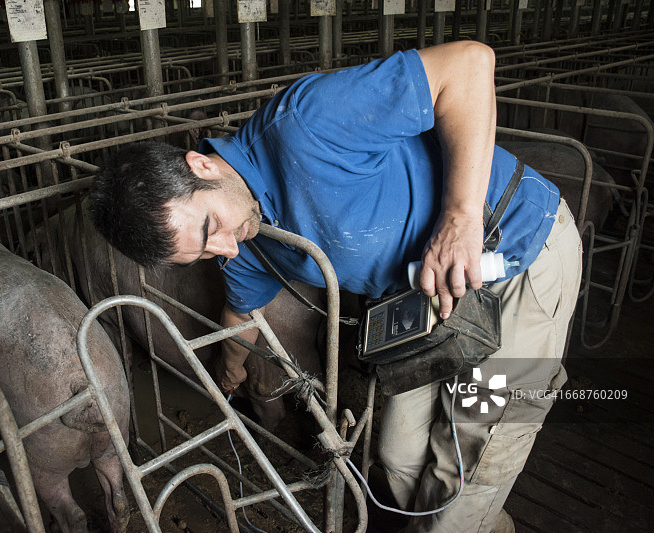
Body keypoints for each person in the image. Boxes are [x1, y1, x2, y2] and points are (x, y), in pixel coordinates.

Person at [89, 41, 582, 532]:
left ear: (201, 166)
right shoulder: (247, 235)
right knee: (397, 454)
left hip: (514, 251)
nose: (225, 249)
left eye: (208, 228)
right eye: (202, 253)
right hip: (431, 296)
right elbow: (240, 315)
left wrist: (460, 218)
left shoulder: (309, 122)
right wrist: (230, 372)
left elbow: (471, 64)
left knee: (473, 450)